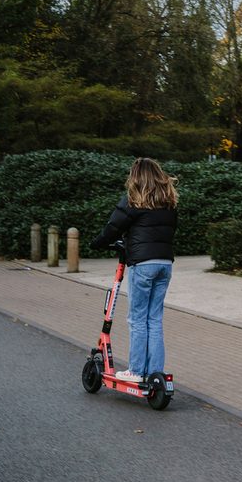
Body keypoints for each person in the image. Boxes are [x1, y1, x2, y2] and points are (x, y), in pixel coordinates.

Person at [90, 157, 178, 383]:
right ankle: (155, 374)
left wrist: (98, 243)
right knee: (154, 319)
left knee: (138, 319)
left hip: (143, 265)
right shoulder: (168, 201)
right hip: (164, 264)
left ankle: (136, 371)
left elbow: (114, 226)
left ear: (136, 177)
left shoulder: (133, 200)